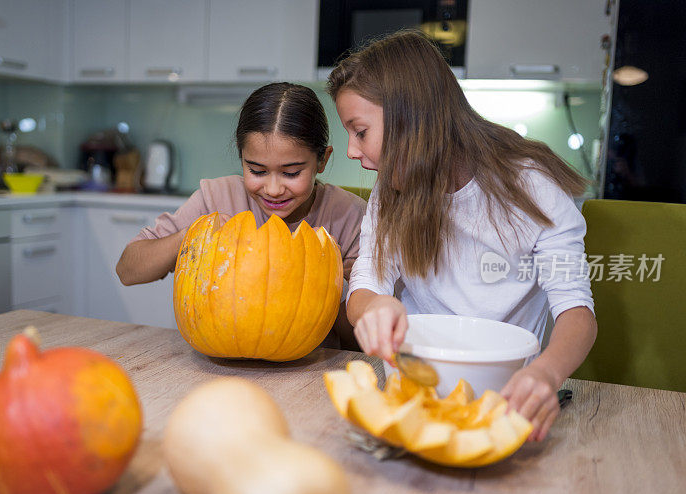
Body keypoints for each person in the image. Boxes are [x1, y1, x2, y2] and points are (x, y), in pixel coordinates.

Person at [327, 30, 597, 441]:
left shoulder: (533, 186)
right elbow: (365, 285)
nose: (351, 150)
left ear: (410, 118)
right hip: (412, 390)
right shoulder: (391, 190)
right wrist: (373, 309)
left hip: (505, 397)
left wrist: (546, 372)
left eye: (360, 131)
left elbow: (576, 311)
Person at [116, 82, 367, 350]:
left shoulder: (349, 216)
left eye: (291, 173)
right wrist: (191, 235)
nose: (273, 189)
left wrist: (332, 280)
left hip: (311, 371)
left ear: (322, 160)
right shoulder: (215, 198)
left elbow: (358, 342)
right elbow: (127, 270)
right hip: (217, 362)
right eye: (257, 171)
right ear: (241, 155)